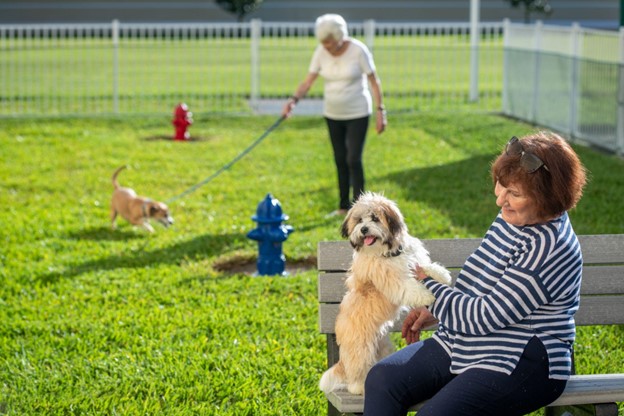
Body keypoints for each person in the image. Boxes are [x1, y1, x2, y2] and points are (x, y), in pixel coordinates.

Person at [363, 131, 588, 416]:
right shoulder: (516, 216)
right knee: (383, 380)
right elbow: (481, 278)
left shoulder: (550, 247)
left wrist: (427, 287)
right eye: (501, 186)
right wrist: (440, 311)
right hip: (471, 340)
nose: (500, 200)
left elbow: (486, 315)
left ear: (548, 197)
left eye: (514, 193)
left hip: (524, 358)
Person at [282, 14, 387, 216]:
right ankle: (343, 206)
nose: (326, 46)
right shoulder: (321, 52)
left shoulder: (358, 50)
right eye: (323, 42)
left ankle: (361, 210)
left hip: (357, 112)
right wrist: (293, 100)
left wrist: (380, 110)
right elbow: (308, 81)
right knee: (340, 158)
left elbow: (374, 81)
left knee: (353, 159)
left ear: (339, 36)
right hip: (333, 113)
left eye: (329, 42)